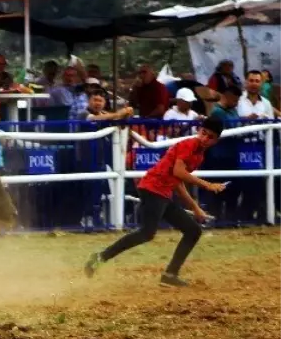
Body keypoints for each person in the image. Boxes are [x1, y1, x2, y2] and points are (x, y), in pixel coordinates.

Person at [85, 117, 227, 287]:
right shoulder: (189, 146)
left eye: (210, 137)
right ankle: (101, 257)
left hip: (161, 191)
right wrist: (208, 185)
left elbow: (178, 181)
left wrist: (195, 208)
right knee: (147, 233)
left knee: (192, 230)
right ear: (199, 130)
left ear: (216, 140)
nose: (205, 138)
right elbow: (179, 172)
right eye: (204, 133)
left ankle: (169, 274)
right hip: (154, 189)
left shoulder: (198, 155)